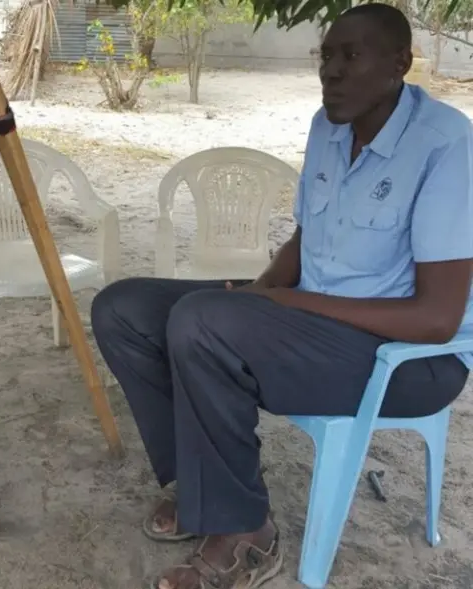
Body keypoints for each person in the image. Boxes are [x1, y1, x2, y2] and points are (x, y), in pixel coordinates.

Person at [90, 4, 473, 589]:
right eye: (327, 56)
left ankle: (247, 531)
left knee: (202, 323)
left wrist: (285, 306)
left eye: (352, 55)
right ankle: (200, 492)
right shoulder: (330, 125)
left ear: (401, 62)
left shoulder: (446, 145)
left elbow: (437, 319)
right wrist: (260, 293)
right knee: (125, 309)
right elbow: (306, 235)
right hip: (311, 322)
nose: (332, 72)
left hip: (408, 360)